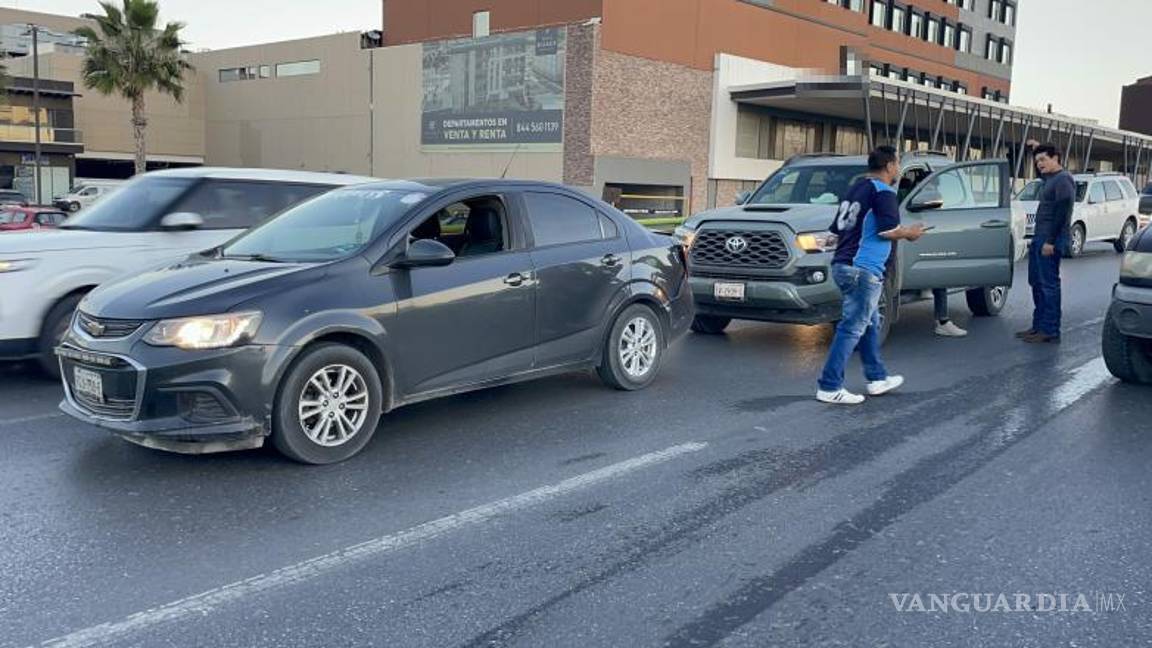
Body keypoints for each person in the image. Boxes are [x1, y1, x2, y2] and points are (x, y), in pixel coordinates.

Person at [817, 145, 927, 405]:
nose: (898, 169)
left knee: (870, 323)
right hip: (863, 269)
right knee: (852, 327)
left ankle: (877, 378)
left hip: (844, 265)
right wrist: (910, 232)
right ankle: (829, 385)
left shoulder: (855, 189)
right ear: (889, 166)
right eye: (897, 164)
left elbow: (837, 230)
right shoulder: (884, 191)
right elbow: (888, 231)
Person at [1018, 143, 1074, 344]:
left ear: (1056, 157)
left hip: (1050, 238)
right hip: (1039, 237)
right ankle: (1038, 326)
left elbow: (1062, 211)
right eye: (1037, 161)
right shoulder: (1050, 179)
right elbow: (1040, 171)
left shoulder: (1063, 179)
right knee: (1037, 283)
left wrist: (1050, 241)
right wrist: (1037, 146)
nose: (1039, 164)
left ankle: (1050, 330)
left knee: (1048, 285)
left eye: (1043, 159)